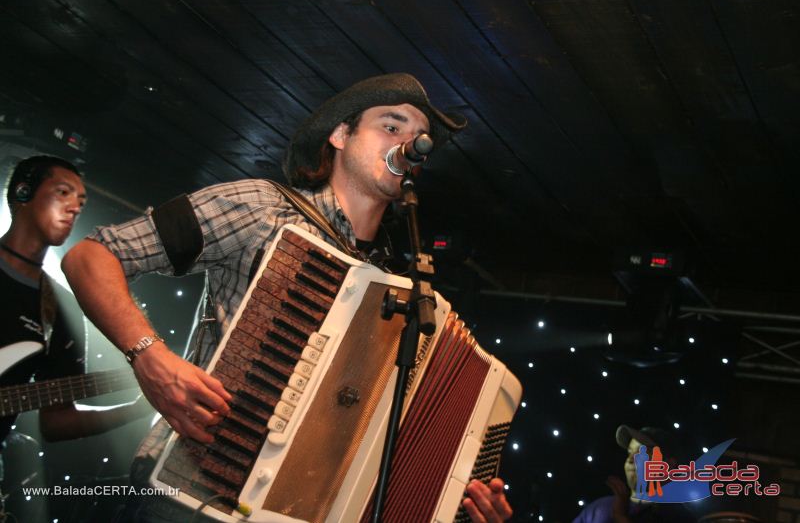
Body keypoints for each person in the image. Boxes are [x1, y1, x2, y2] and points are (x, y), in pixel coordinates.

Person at [62, 73, 512, 522]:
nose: (410, 145)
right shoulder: (261, 207)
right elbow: (92, 256)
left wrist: (457, 504)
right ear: (339, 134)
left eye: (420, 139)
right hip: (189, 498)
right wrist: (149, 357)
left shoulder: (395, 285)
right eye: (391, 127)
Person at [0, 156, 152, 499]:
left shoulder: (63, 310)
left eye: (80, 202)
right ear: (23, 193)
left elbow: (55, 422)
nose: (74, 209)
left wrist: (135, 409)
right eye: (63, 193)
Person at [572, 425, 695, 523]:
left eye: (642, 452)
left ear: (669, 462)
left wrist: (620, 516)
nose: (630, 459)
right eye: (629, 452)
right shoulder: (600, 507)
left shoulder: (682, 515)